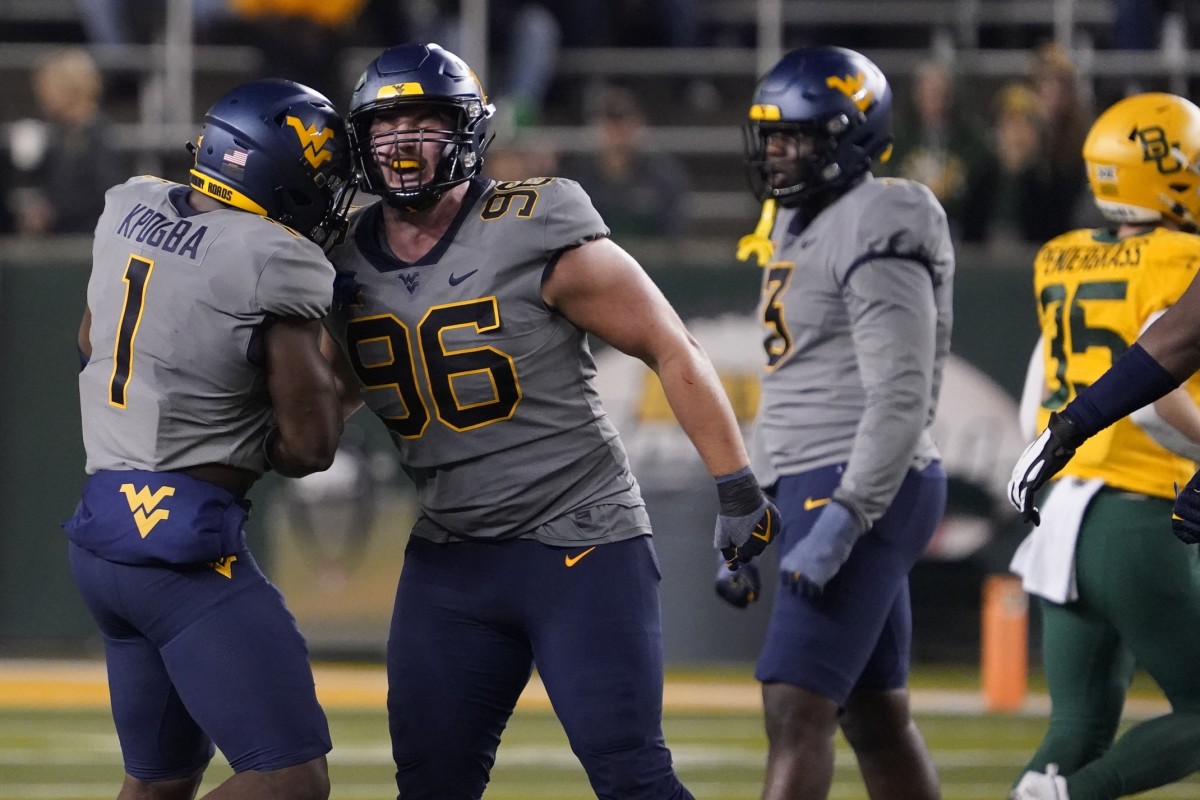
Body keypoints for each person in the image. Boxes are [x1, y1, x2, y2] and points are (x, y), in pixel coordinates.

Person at [320, 42, 778, 800]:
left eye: (424, 122)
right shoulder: (343, 262)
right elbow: (327, 407)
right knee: (429, 787)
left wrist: (735, 486)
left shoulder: (533, 220)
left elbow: (671, 345)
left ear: (465, 130)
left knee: (631, 775)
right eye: (386, 124)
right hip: (452, 553)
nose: (402, 142)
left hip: (579, 538)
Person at [63, 78, 354, 800]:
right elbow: (307, 449)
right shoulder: (271, 259)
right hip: (180, 549)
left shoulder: (132, 206)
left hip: (102, 538)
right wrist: (353, 382)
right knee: (290, 779)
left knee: (158, 783)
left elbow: (87, 342)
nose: (329, 194)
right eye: (321, 177)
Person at [719, 45, 953, 800]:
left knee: (794, 706)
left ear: (851, 135)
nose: (778, 151)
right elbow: (793, 381)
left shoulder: (883, 215)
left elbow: (900, 394)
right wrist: (753, 501)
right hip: (810, 477)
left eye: (799, 135)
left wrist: (847, 518)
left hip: (862, 478)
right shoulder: (795, 224)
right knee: (875, 718)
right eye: (771, 135)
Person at [1007, 93, 1200, 800]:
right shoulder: (1184, 256)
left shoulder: (1063, 256)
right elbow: (1156, 385)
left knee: (1077, 725)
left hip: (1066, 505)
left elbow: (1038, 399)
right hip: (1141, 505)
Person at [11, 47, 125, 236]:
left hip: (88, 239)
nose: (42, 97)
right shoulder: (57, 132)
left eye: (48, 88)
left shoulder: (98, 133)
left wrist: (54, 211)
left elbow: (104, 191)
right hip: (59, 237)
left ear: (70, 88)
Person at [560, 83, 692, 242]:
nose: (617, 132)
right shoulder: (578, 176)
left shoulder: (663, 175)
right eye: (610, 123)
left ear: (639, 124)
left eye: (624, 122)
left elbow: (674, 232)